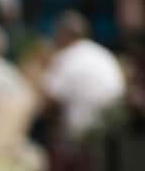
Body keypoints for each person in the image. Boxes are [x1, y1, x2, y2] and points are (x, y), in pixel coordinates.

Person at [40, 11, 126, 140]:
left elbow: (48, 100)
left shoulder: (68, 55)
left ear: (64, 35)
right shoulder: (101, 52)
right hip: (116, 128)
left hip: (85, 133)